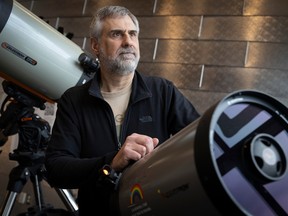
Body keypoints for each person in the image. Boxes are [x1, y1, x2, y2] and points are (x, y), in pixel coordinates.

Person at [45, 5, 200, 216]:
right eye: (116, 34)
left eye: (132, 34)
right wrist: (112, 162)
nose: (128, 42)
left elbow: (197, 141)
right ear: (95, 45)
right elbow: (56, 169)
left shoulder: (163, 91)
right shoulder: (73, 100)